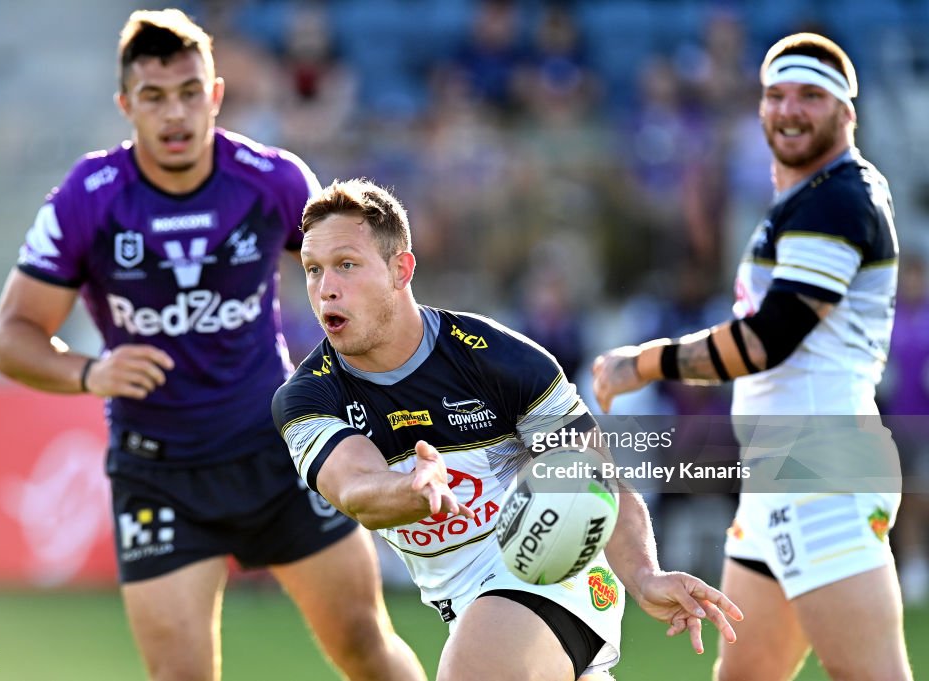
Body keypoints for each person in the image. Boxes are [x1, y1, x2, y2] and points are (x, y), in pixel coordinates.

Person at [0, 10, 425, 681]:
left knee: (365, 644)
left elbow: (352, 275)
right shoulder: (87, 199)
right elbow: (10, 336)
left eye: (191, 92)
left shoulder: (272, 179)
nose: (176, 114)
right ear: (126, 105)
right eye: (155, 97)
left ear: (216, 96)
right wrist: (89, 370)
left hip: (277, 451)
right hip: (159, 475)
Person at [271, 178, 743, 681]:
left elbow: (596, 480)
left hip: (554, 574)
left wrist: (645, 575)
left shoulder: (500, 360)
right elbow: (355, 489)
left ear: (400, 270)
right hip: (466, 608)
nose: (326, 289)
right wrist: (410, 489)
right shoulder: (304, 396)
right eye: (313, 270)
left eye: (347, 265)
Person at [592, 33, 913, 681]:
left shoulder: (837, 199)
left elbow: (767, 340)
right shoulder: (807, 197)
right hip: (783, 469)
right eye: (776, 95)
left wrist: (643, 363)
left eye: (811, 96)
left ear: (848, 112)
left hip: (819, 468)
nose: (790, 109)